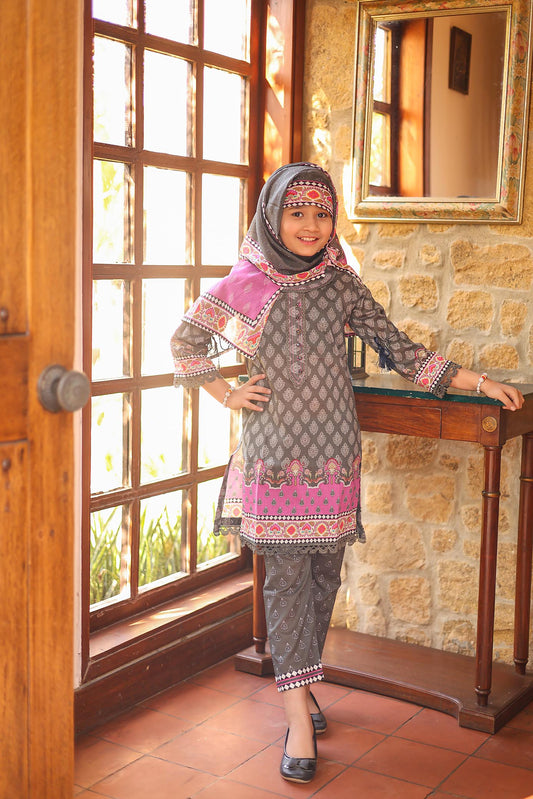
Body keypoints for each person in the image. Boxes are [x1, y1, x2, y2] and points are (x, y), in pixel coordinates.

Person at [170, 162, 524, 783]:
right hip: (275, 457)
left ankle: (300, 684)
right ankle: (298, 720)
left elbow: (401, 351)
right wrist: (227, 394)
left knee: (322, 579)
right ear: (272, 216)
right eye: (296, 213)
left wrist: (479, 382)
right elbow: (183, 344)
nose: (310, 226)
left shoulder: (341, 285)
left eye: (321, 213)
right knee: (284, 584)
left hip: (334, 454)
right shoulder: (245, 282)